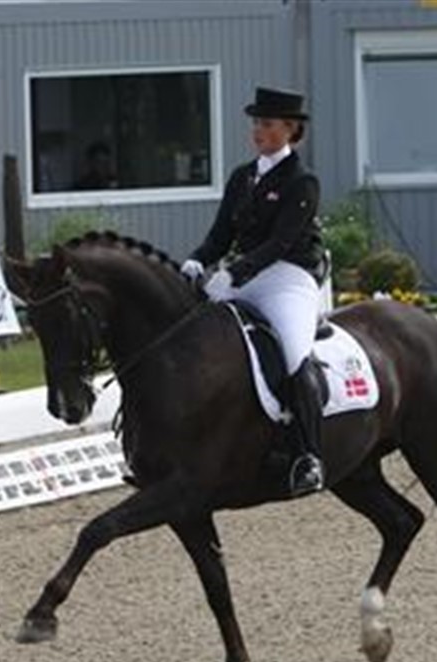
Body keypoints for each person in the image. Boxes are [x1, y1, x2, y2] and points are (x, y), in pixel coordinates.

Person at [180, 86, 326, 497]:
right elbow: (221, 235)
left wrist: (235, 273)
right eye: (256, 123)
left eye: (267, 123)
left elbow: (281, 242)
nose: (258, 130)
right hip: (245, 276)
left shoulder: (302, 181)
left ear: (290, 129)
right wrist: (198, 260)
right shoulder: (242, 177)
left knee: (294, 355)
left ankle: (309, 456)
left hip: (289, 278)